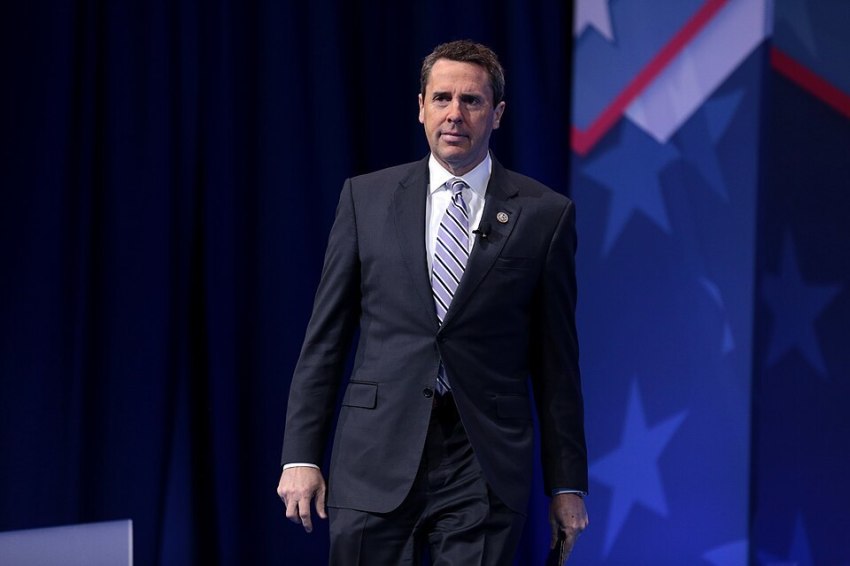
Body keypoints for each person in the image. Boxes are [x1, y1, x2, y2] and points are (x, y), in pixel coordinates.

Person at [277, 39, 588, 565]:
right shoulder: (366, 198)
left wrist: (567, 484)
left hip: (483, 461)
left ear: (498, 114)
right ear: (420, 106)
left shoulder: (544, 215)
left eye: (471, 101)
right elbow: (325, 340)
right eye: (441, 98)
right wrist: (300, 456)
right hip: (375, 452)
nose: (455, 114)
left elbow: (557, 362)